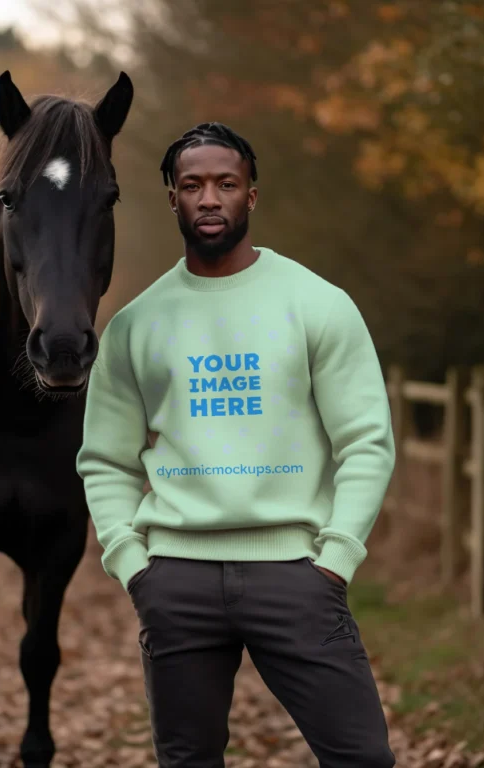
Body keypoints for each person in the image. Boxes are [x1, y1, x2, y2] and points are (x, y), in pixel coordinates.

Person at [76, 122, 396, 768]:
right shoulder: (136, 325)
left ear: (253, 195)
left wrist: (335, 559)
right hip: (176, 581)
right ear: (172, 197)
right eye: (192, 185)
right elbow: (104, 460)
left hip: (297, 577)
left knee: (364, 759)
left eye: (227, 183)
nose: (210, 198)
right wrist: (133, 565)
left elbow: (365, 442)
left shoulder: (317, 305)